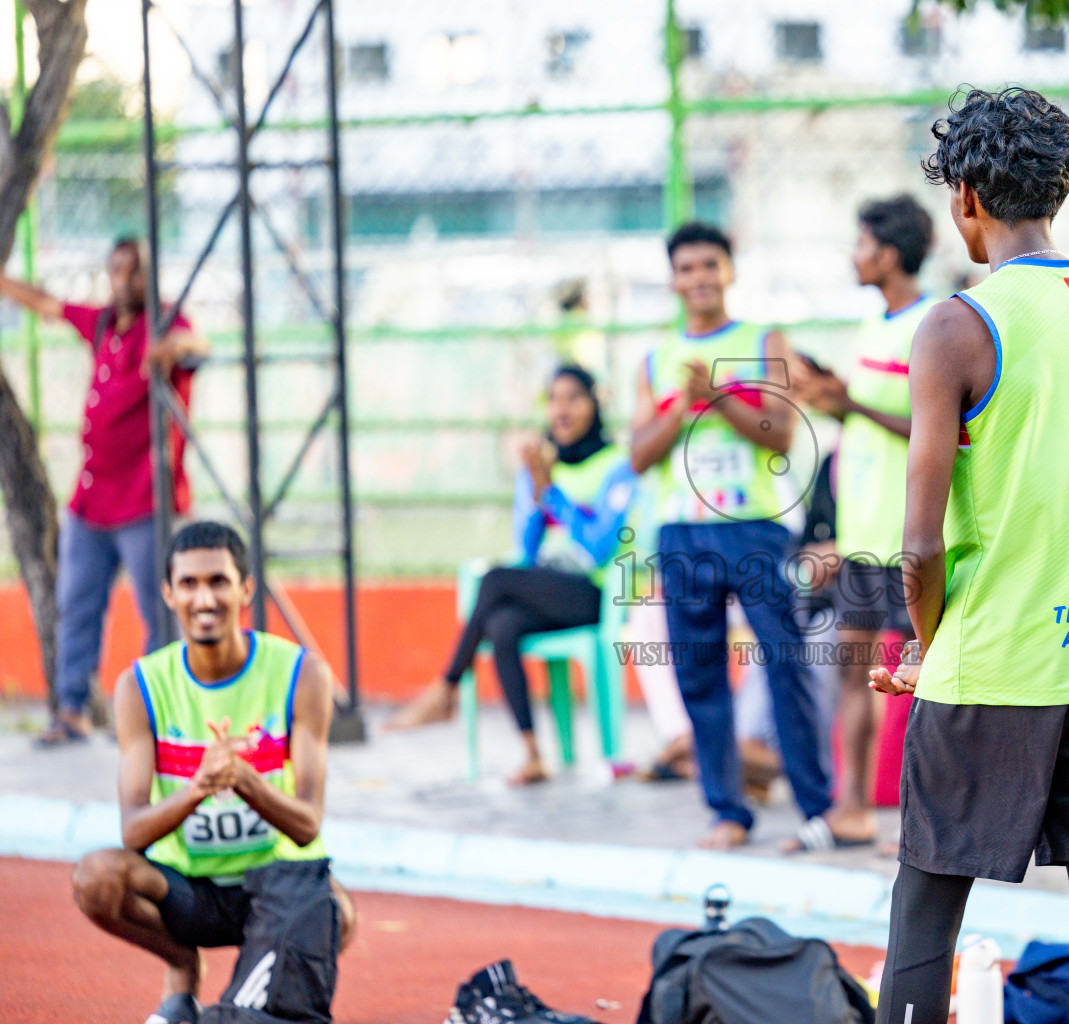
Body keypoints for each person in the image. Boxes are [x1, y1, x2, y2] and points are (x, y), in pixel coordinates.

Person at [867, 87, 1069, 1024]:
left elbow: (920, 542)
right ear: (1061, 185)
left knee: (925, 912)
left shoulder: (957, 326)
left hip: (999, 662)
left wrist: (927, 643)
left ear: (965, 196)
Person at [68, 522, 355, 1024]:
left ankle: (249, 978)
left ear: (245, 588)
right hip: (187, 891)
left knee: (339, 915)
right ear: (168, 592)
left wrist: (244, 780)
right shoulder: (140, 685)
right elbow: (133, 831)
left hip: (272, 884)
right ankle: (182, 965)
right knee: (96, 877)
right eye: (190, 584)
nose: (204, 598)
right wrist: (201, 786)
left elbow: (308, 824)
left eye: (219, 581)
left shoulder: (301, 673)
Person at [630, 221, 834, 850]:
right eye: (687, 268)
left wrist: (717, 396)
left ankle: (815, 809)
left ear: (729, 271)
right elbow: (638, 454)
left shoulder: (761, 340)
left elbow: (781, 431)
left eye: (709, 266)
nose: (699, 279)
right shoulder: (654, 358)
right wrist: (682, 409)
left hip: (753, 529)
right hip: (682, 532)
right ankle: (727, 811)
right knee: (699, 673)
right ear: (673, 278)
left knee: (784, 660)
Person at [0, 238, 208, 745]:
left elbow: (197, 347)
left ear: (149, 276)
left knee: (158, 610)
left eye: (133, 273)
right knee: (77, 604)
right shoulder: (100, 324)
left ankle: (156, 716)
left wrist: (173, 350)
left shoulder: (163, 323)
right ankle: (70, 710)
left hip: (144, 499)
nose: (123, 282)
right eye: (116, 272)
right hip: (92, 500)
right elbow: (49, 304)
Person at [386, 365, 635, 785]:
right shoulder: (541, 465)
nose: (562, 409)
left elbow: (598, 551)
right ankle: (534, 753)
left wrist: (553, 493)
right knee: (502, 624)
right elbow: (527, 549)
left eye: (573, 397)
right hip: (546, 589)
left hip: (595, 594)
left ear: (595, 403)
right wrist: (535, 487)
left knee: (495, 581)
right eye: (554, 399)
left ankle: (445, 687)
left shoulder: (617, 466)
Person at [786, 195, 936, 851]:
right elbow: (874, 414)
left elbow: (936, 425)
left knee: (923, 677)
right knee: (854, 672)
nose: (855, 254)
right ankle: (851, 808)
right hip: (861, 532)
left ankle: (922, 819)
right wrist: (834, 401)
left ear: (891, 252)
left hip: (912, 533)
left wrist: (851, 403)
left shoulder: (933, 323)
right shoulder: (876, 325)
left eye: (863, 242)